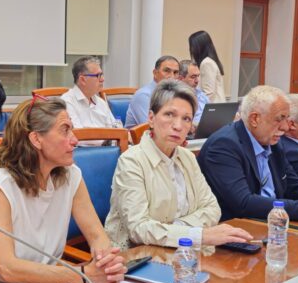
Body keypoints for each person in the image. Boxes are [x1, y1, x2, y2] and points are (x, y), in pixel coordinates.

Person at [0, 97, 126, 283]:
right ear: (36, 139)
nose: (75, 140)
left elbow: (97, 236)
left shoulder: (71, 175)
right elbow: (6, 269)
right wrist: (84, 275)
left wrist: (107, 264)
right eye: (65, 130)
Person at [104, 80, 252, 251]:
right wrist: (197, 234)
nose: (178, 126)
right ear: (151, 118)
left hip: (183, 250)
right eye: (169, 114)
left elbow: (212, 208)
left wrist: (177, 230)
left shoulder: (187, 157)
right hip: (137, 255)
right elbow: (139, 229)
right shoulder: (131, 161)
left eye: (186, 119)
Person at [196, 85, 298, 223]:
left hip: (273, 223)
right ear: (255, 119)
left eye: (287, 118)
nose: (285, 127)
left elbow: (294, 186)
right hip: (239, 227)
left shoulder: (273, 141)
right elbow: (243, 203)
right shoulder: (224, 146)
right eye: (280, 119)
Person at [60, 56, 117, 146]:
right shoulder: (67, 101)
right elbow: (77, 135)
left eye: (102, 75)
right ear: (83, 79)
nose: (102, 79)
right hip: (83, 151)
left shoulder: (101, 102)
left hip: (109, 148)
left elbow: (114, 128)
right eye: (98, 76)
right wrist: (107, 140)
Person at [124, 56, 180, 128]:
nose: (172, 76)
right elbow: (152, 127)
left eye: (175, 72)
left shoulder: (176, 95)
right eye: (167, 71)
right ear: (155, 73)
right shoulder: (143, 95)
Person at [189, 30, 226, 103]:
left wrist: (196, 106)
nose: (191, 49)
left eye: (192, 46)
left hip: (212, 107)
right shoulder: (210, 61)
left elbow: (208, 93)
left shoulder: (206, 63)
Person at [177, 59, 209, 125]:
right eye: (193, 77)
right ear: (180, 79)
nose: (197, 81)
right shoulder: (174, 97)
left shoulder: (202, 95)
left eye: (198, 76)